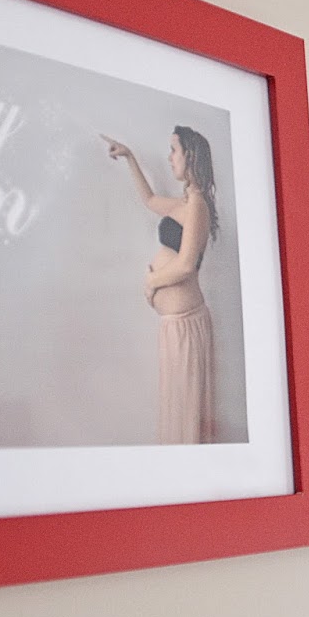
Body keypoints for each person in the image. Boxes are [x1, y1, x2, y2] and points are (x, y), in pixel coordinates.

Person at [102, 127, 220, 443]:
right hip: (175, 323)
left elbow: (186, 264)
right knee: (176, 403)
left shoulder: (197, 205)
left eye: (173, 151)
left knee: (184, 408)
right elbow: (150, 199)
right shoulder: (186, 203)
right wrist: (130, 157)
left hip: (185, 322)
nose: (169, 158)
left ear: (189, 156)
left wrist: (152, 281)